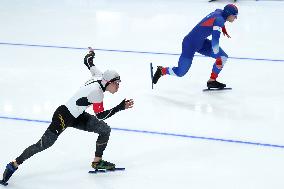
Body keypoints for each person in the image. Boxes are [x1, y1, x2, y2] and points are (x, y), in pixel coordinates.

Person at [0, 51, 134, 185]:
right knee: (42, 145)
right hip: (63, 116)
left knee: (104, 130)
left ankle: (97, 162)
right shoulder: (97, 93)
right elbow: (101, 115)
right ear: (109, 82)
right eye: (116, 83)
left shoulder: (100, 75)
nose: (118, 86)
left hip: (77, 115)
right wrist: (120, 107)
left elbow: (88, 62)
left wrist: (91, 54)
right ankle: (14, 164)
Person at [152, 4, 238, 89]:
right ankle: (162, 70)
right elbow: (215, 40)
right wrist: (216, 53)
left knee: (222, 57)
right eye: (235, 16)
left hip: (201, 43)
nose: (235, 18)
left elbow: (216, 14)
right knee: (180, 72)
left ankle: (212, 81)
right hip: (189, 45)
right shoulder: (219, 21)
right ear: (229, 15)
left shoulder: (219, 12)